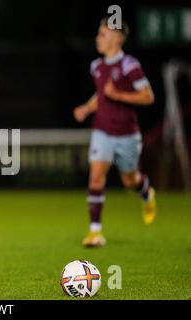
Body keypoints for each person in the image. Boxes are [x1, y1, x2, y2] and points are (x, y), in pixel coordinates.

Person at [73, 17, 156, 247]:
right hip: (102, 130)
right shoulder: (96, 67)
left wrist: (117, 94)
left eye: (103, 34)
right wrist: (86, 108)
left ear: (117, 39)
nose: (98, 38)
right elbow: (101, 96)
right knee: (96, 174)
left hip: (127, 133)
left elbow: (148, 96)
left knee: (129, 180)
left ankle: (146, 192)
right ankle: (95, 232)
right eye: (99, 33)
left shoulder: (130, 66)